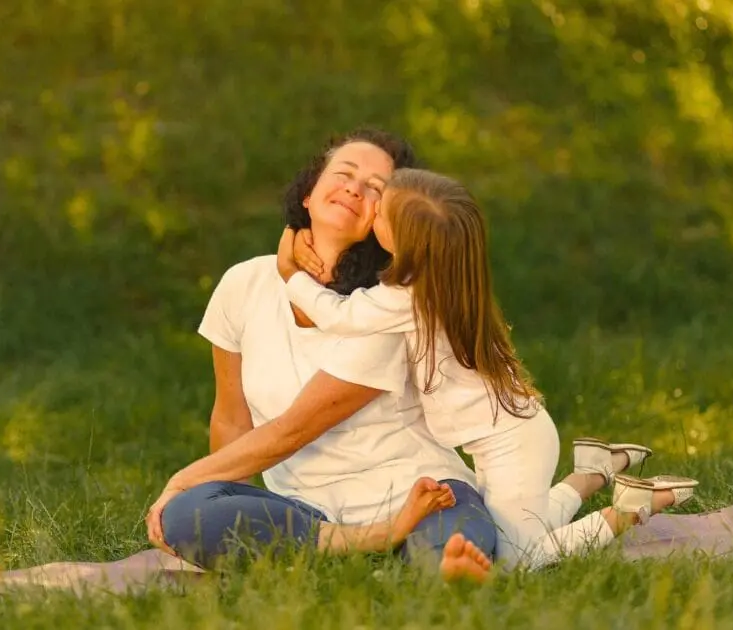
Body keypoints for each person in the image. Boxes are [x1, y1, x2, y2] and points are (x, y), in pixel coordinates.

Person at [280, 167, 700, 574]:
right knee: (517, 526)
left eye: (382, 212)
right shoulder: (449, 284)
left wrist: (291, 274)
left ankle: (631, 508)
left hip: (511, 448)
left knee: (518, 562)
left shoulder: (410, 298)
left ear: (407, 244)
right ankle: (591, 473)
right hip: (513, 438)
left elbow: (338, 316)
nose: (371, 212)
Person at [145, 129, 496, 583]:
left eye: (374, 188)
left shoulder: (386, 306)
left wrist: (182, 479)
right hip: (306, 510)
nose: (354, 187)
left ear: (387, 220)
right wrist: (218, 496)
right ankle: (370, 542)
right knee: (189, 516)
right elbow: (231, 418)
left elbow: (293, 431)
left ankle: (419, 560)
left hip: (422, 492)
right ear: (308, 193)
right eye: (343, 173)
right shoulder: (244, 283)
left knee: (446, 551)